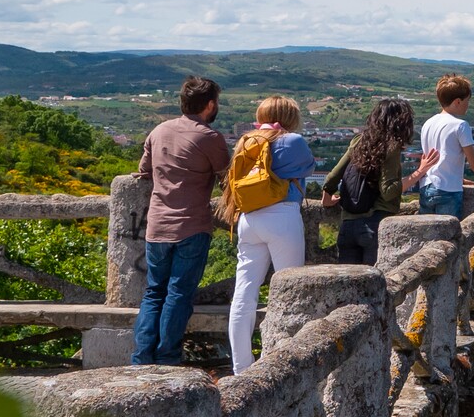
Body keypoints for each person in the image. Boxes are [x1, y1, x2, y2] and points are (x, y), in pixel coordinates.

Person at [131, 75, 229, 366]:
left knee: (154, 292)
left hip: (157, 225)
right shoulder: (210, 138)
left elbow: (144, 169)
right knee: (178, 294)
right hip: (192, 226)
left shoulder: (159, 131)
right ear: (210, 105)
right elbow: (228, 180)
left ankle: (141, 357)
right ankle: (167, 357)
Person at [225, 95, 314, 375]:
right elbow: (308, 168)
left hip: (249, 218)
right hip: (282, 215)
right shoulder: (293, 142)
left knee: (244, 293)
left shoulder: (246, 141)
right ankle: (284, 360)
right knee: (291, 291)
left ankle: (241, 368)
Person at [324, 97, 414, 265]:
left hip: (347, 225)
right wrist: (419, 173)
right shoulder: (392, 146)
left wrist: (327, 197)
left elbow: (332, 177)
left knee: (349, 286)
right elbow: (388, 191)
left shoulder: (358, 140)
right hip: (374, 226)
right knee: (373, 287)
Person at [415, 74, 474, 218]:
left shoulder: (428, 124)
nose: (468, 105)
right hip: (448, 190)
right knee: (448, 235)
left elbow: (435, 160)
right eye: (467, 101)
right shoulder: (460, 126)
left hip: (426, 186)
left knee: (428, 236)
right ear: (458, 102)